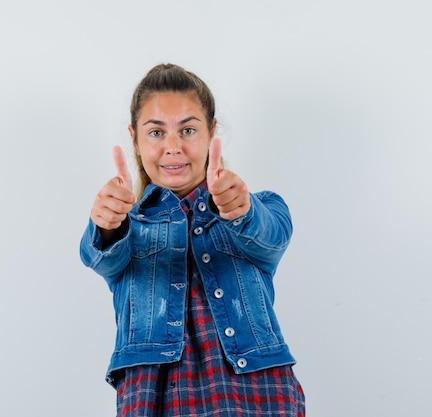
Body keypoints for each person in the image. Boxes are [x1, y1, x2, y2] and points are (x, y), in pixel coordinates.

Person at [79, 63, 305, 417]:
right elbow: (100, 256)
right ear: (134, 139)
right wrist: (107, 224)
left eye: (188, 129)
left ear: (212, 131)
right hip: (153, 397)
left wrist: (242, 210)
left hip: (256, 394)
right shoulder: (126, 226)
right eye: (155, 133)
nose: (173, 147)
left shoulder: (261, 209)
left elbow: (271, 236)